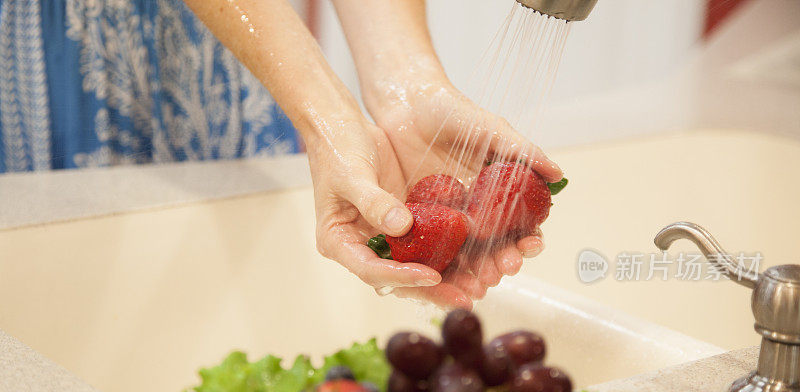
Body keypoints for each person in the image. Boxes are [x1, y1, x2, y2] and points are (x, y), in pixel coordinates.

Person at [0, 0, 562, 308]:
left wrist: (407, 91)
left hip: (249, 47)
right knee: (68, 291)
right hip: (71, 44)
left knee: (224, 284)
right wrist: (325, 121)